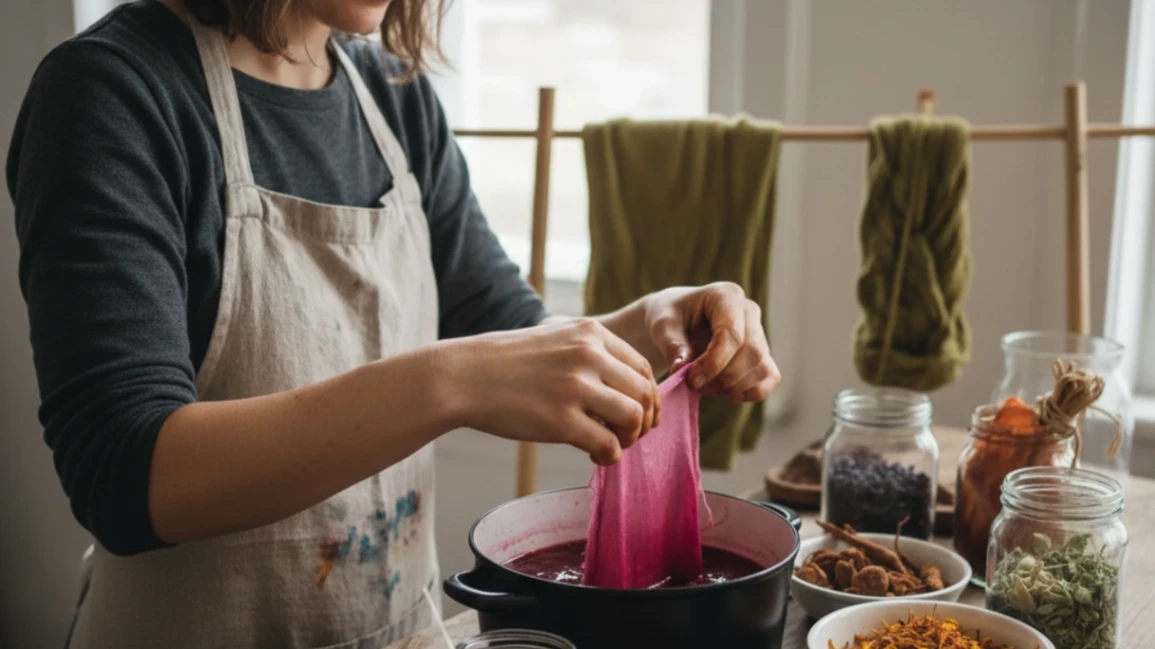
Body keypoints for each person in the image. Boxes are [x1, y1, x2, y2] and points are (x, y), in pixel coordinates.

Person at [6, 0, 781, 647]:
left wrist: (644, 327)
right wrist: (451, 379)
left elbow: (504, 324)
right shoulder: (110, 92)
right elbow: (125, 477)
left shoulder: (392, 93)